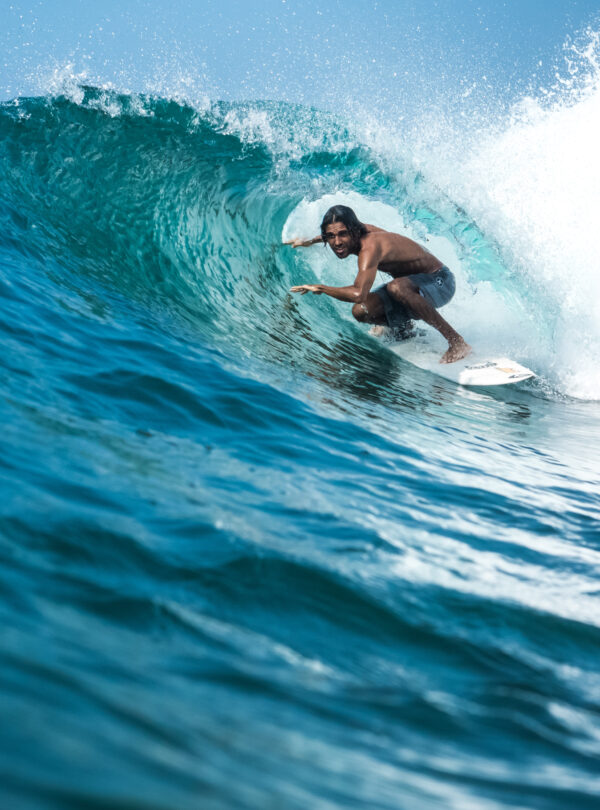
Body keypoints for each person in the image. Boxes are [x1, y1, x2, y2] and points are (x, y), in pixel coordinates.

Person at [285, 204, 470, 364]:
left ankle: (456, 342)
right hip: (412, 288)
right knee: (361, 310)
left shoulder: (370, 247)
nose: (337, 242)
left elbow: (358, 293)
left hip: (440, 282)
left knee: (396, 288)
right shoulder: (357, 231)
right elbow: (360, 301)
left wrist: (321, 288)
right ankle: (405, 330)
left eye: (342, 235)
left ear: (354, 231)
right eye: (330, 236)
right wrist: (308, 241)